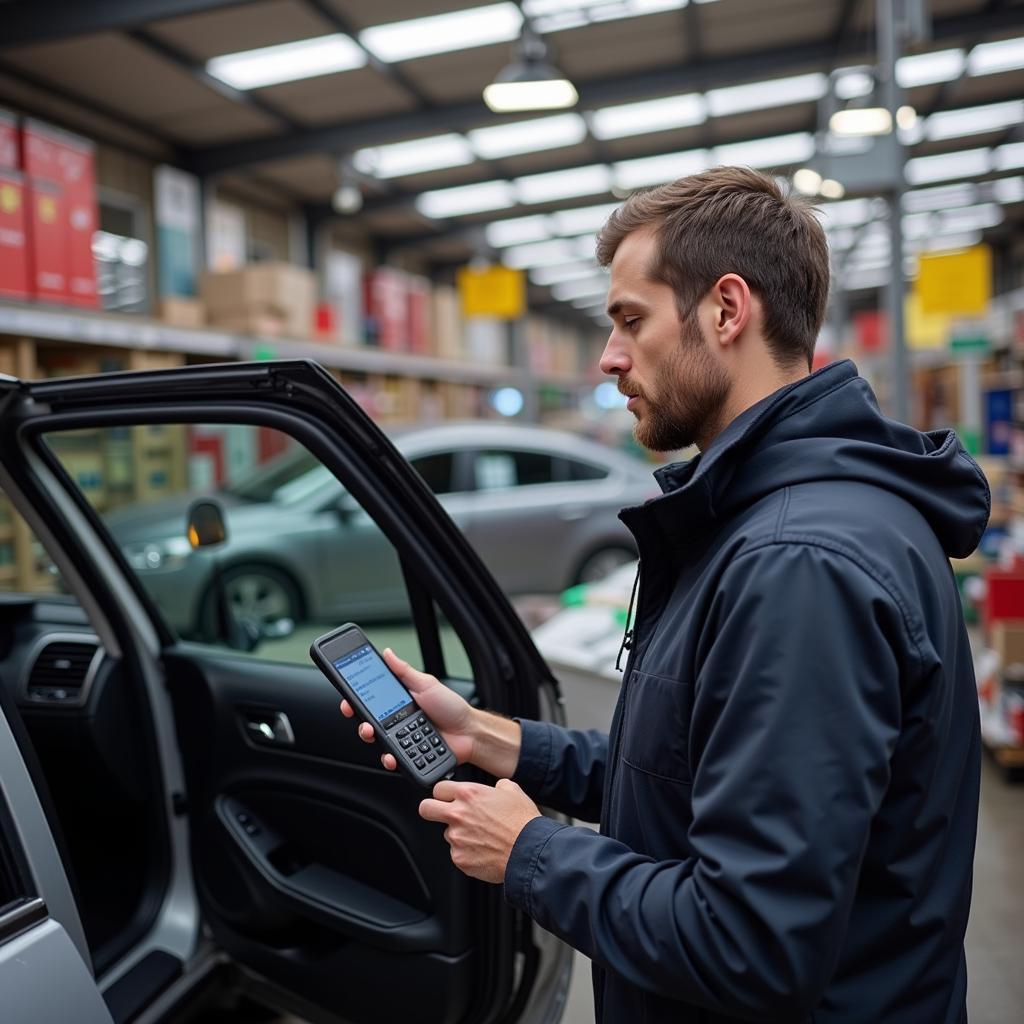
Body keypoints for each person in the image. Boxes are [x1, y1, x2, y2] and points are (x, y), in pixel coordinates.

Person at [341, 166, 987, 1023]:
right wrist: (496, 740)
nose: (609, 358)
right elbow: (695, 783)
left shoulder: (799, 565)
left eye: (629, 321)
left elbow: (750, 942)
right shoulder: (767, 524)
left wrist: (530, 850)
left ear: (727, 309)